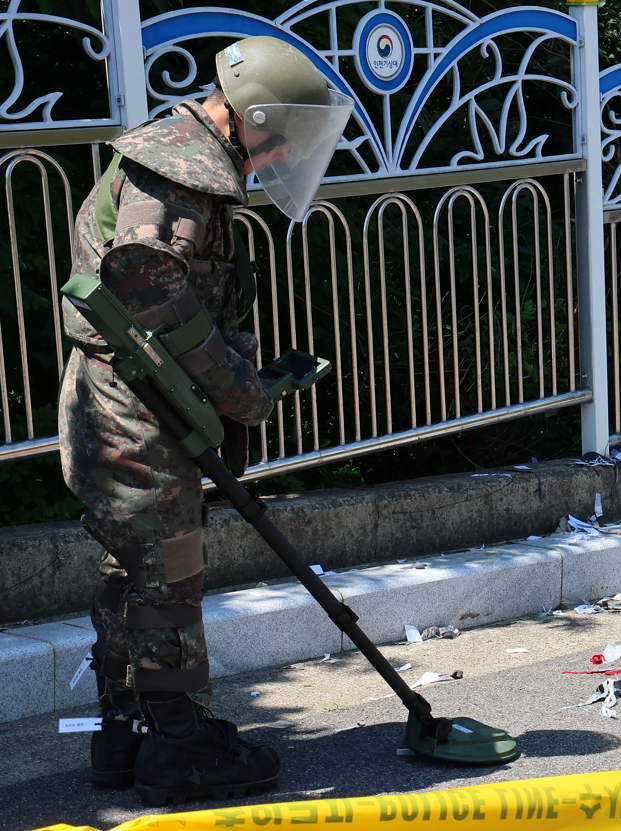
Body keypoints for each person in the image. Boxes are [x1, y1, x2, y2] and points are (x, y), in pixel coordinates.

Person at [58, 36, 352, 805]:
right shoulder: (179, 171)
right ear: (249, 115)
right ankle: (180, 748)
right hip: (135, 409)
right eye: (280, 133)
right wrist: (240, 390)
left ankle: (126, 734)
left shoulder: (186, 158)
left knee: (134, 572)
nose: (283, 151)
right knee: (167, 575)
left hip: (128, 400)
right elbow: (144, 281)